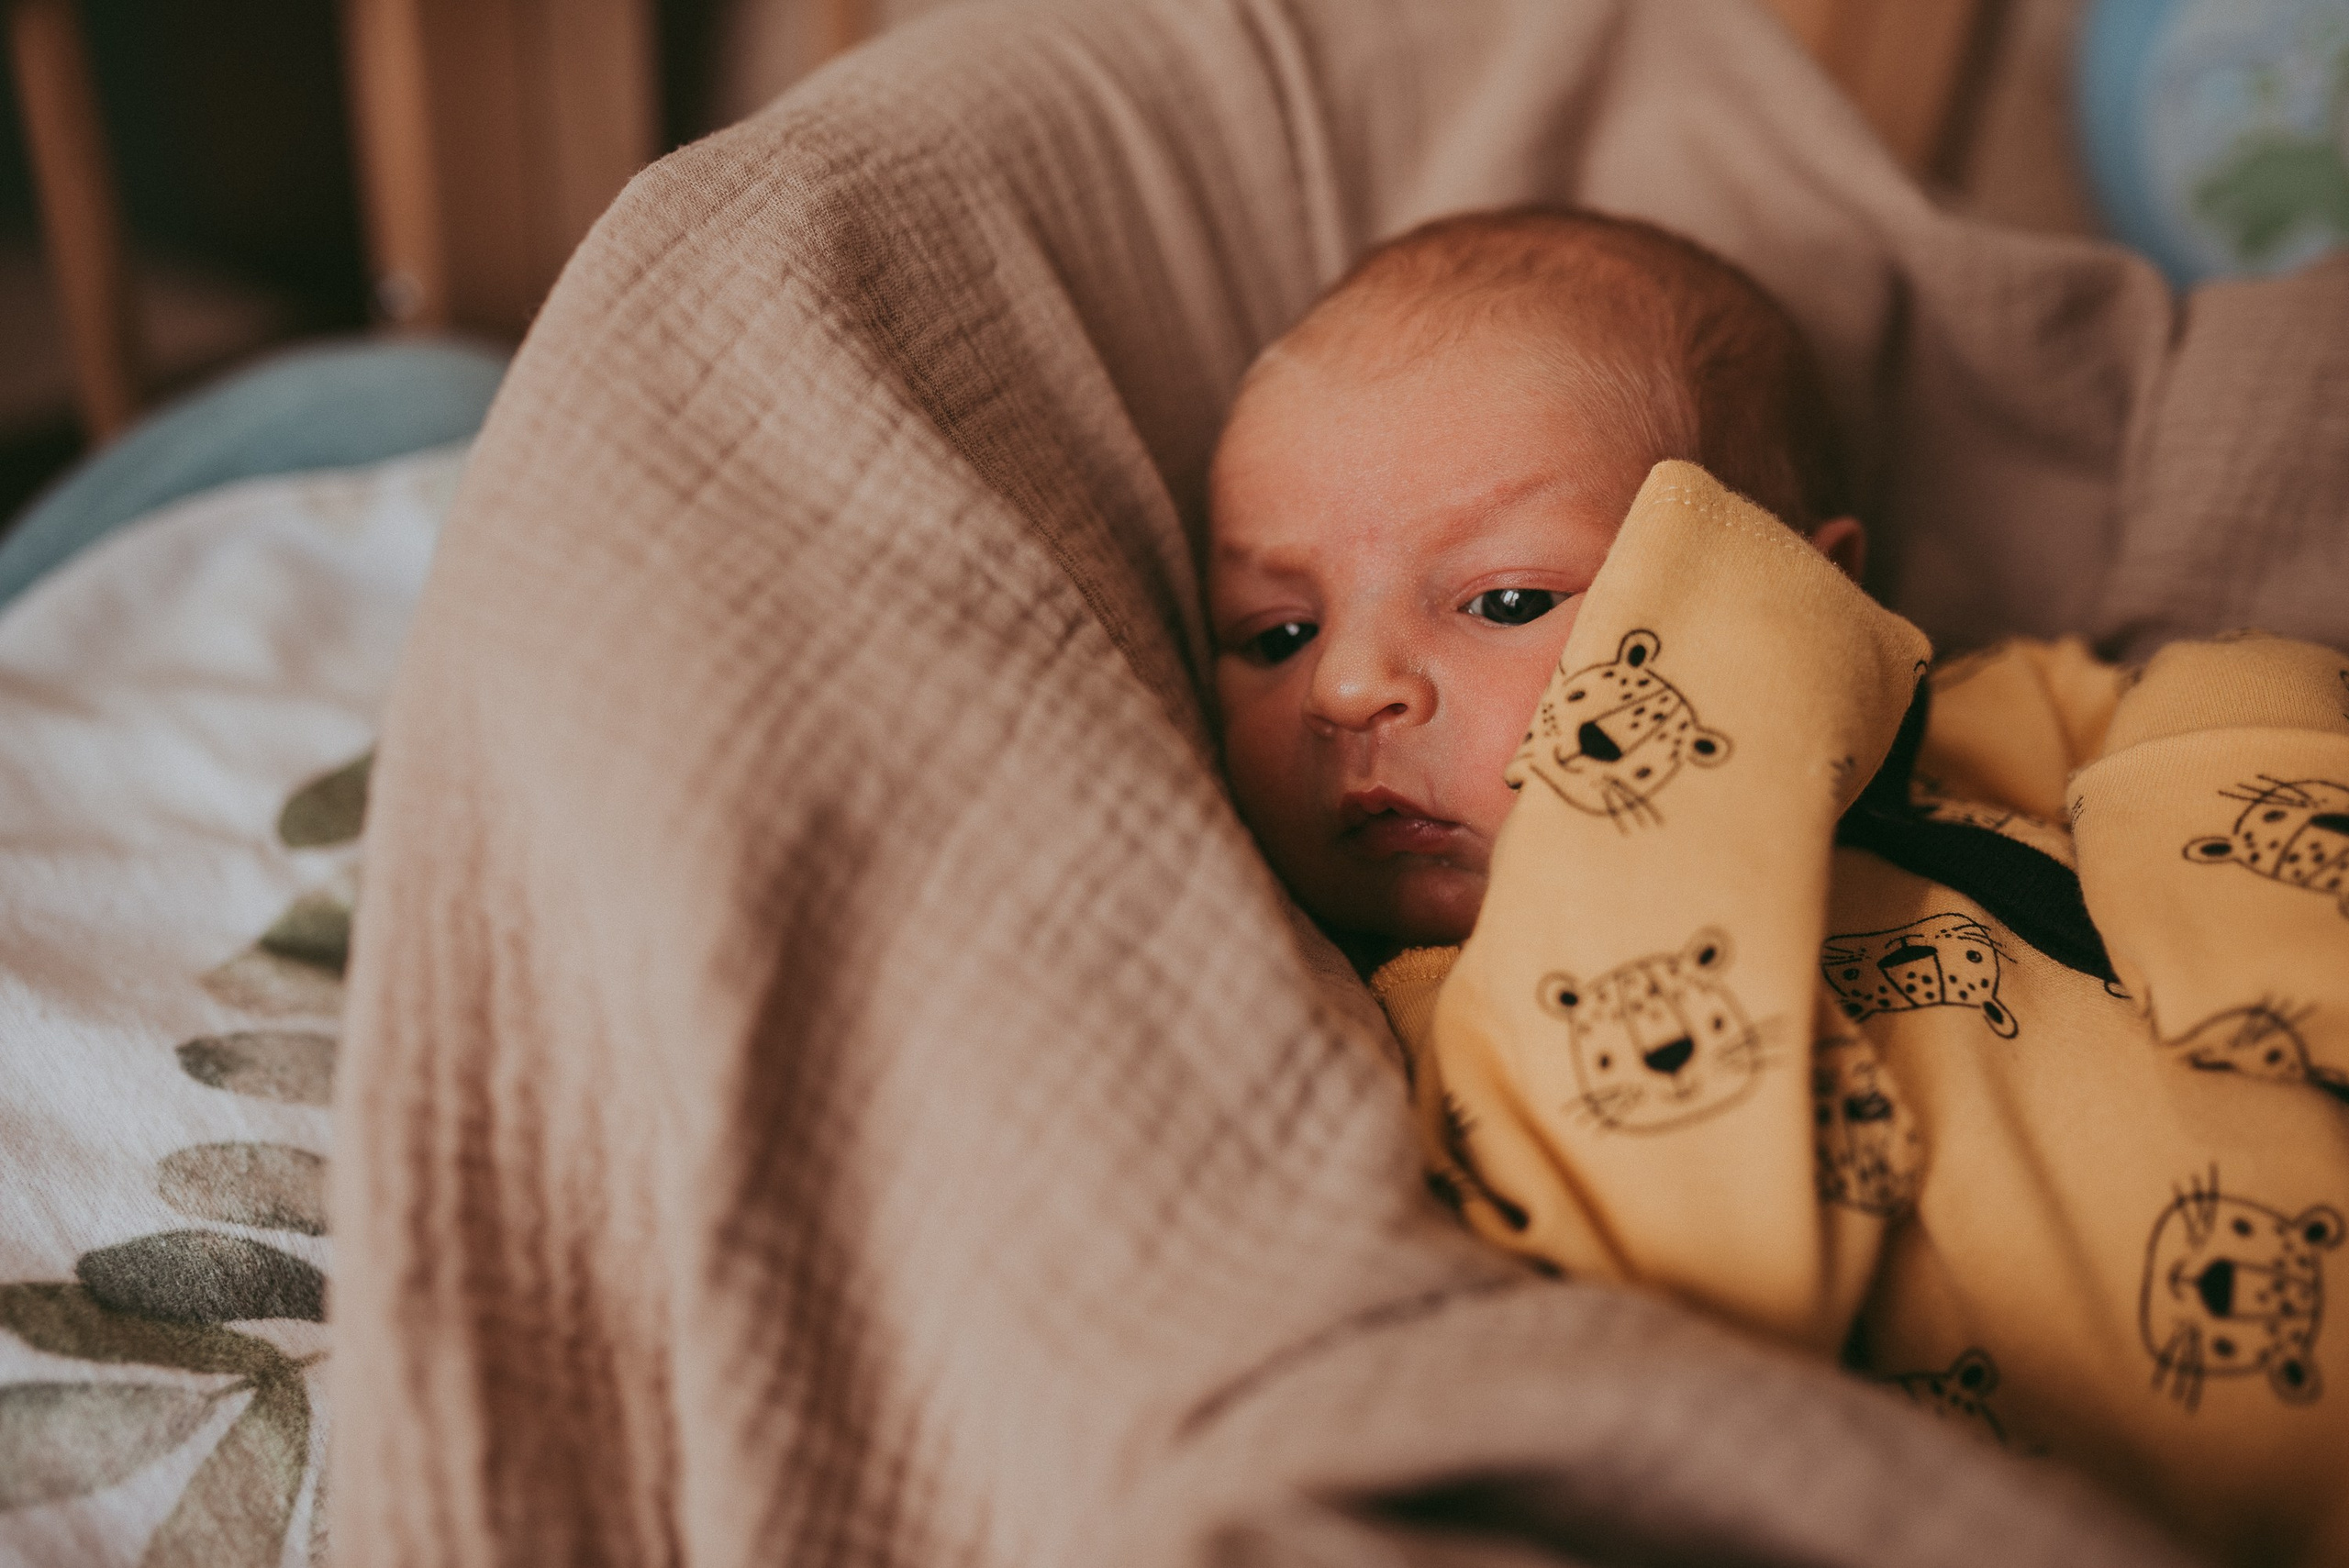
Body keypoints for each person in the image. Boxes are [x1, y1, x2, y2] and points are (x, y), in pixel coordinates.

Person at [1208, 206, 2349, 1567]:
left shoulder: (1971, 734)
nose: (1347, 684)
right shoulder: (1434, 1034)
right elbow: (1680, 1266)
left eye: (1506, 599)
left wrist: (2255, 931)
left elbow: (2245, 719)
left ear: (1796, 598)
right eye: (1278, 630)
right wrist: (1667, 763)